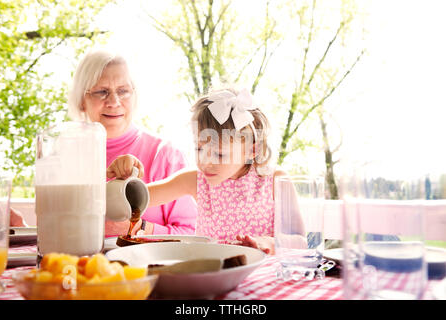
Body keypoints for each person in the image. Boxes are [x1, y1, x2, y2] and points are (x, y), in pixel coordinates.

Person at [107, 87, 306, 254]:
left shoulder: (275, 181)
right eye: (199, 149)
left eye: (219, 154)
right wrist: (127, 173)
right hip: (214, 275)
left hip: (264, 278)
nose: (205, 162)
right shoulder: (195, 180)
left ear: (251, 150)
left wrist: (268, 243)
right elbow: (135, 199)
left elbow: (300, 241)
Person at [67, 49, 198, 237]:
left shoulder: (165, 155)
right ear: (81, 100)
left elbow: (192, 235)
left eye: (123, 91)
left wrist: (138, 228)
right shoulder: (66, 156)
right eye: (101, 92)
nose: (114, 101)